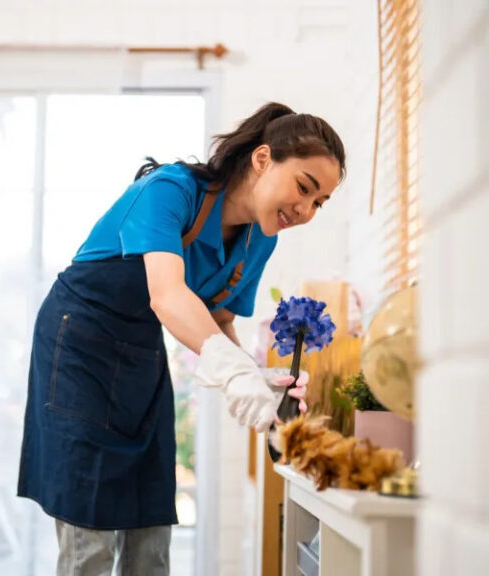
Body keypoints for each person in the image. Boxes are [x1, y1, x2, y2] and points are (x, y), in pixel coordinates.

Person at [17, 102, 345, 575]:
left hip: (142, 357)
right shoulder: (170, 191)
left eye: (320, 203)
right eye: (304, 187)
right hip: (78, 351)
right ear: (261, 159)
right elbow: (168, 295)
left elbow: (218, 319)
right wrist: (233, 374)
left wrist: (253, 377)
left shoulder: (260, 240)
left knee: (148, 526)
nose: (307, 209)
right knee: (90, 540)